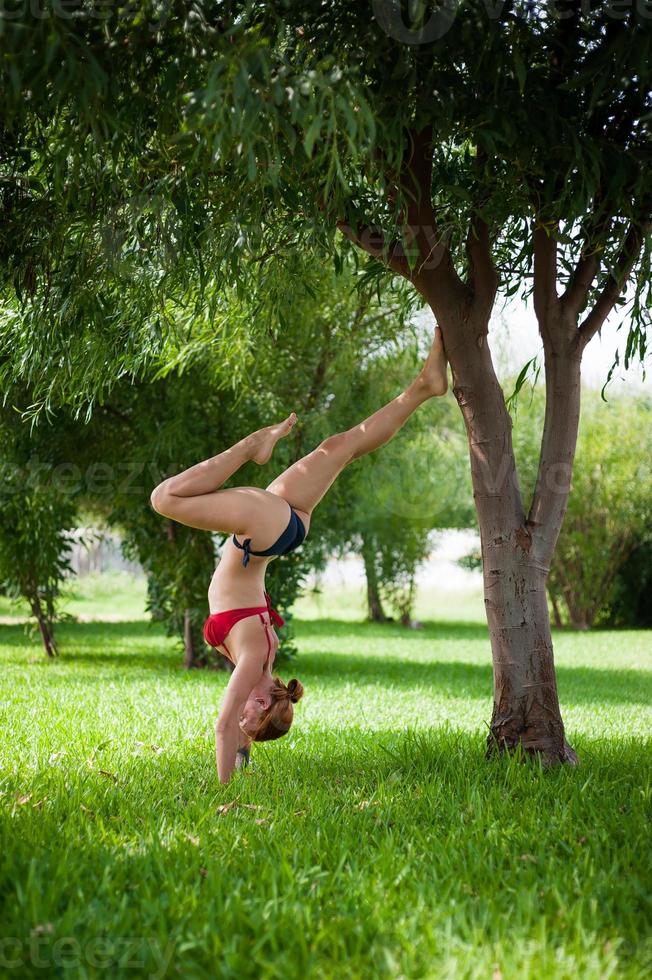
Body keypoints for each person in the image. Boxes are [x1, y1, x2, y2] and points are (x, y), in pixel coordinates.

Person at [150, 328, 448, 782]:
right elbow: (225, 726)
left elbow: (245, 729)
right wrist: (223, 788)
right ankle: (251, 448)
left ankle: (425, 387)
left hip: (287, 530)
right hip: (263, 531)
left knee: (341, 446)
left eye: (249, 723)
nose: (242, 714)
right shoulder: (254, 662)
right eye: (253, 714)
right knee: (164, 499)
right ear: (265, 700)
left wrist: (247, 750)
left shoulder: (265, 664)